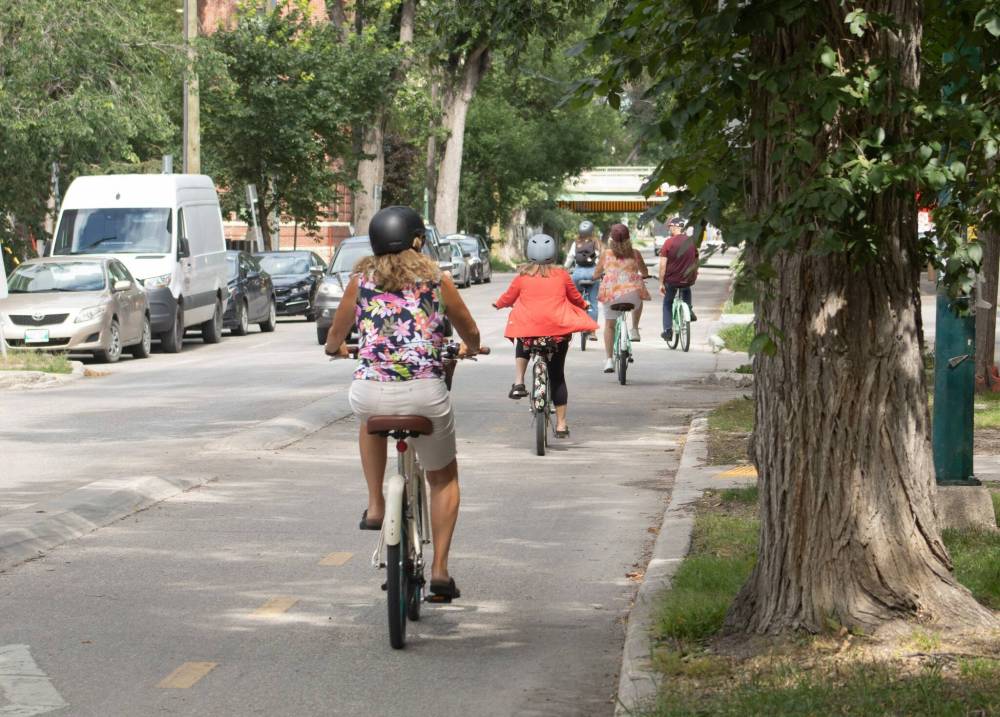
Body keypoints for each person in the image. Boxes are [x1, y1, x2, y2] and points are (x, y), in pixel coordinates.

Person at [324, 205, 481, 603]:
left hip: (370, 391)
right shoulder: (436, 280)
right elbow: (469, 329)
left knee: (368, 418)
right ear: (417, 240)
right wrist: (471, 347)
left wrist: (338, 348)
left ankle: (376, 504)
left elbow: (333, 337)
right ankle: (441, 570)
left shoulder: (360, 282)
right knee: (443, 476)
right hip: (425, 392)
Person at [494, 233, 597, 438]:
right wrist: (585, 304)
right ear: (553, 253)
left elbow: (508, 297)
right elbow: (575, 298)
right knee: (557, 375)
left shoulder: (522, 277)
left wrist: (499, 304)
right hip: (557, 333)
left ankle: (519, 381)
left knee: (523, 337)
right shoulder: (562, 276)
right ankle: (561, 424)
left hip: (530, 334)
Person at [593, 223, 650, 373]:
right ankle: (635, 329)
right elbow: (644, 272)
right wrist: (643, 275)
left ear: (611, 239)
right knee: (639, 297)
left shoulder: (606, 254)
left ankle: (609, 361)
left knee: (609, 326)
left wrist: (596, 276)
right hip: (632, 296)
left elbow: (596, 273)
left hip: (612, 295)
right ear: (629, 238)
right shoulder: (635, 253)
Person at [658, 217, 698, 342]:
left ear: (675, 227)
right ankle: (689, 309)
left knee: (667, 303)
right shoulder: (691, 242)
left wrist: (661, 283)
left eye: (670, 226)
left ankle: (668, 331)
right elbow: (697, 260)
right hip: (688, 278)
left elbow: (662, 266)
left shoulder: (668, 243)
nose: (669, 229)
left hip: (672, 281)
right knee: (686, 288)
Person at [564, 220, 602, 340]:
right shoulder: (596, 243)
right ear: (592, 231)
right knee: (593, 303)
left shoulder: (576, 243)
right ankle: (592, 332)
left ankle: (575, 323)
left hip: (578, 274)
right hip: (593, 274)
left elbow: (570, 258)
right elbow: (599, 259)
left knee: (576, 299)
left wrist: (565, 269)